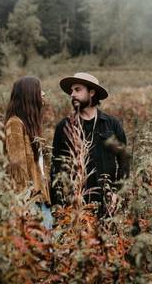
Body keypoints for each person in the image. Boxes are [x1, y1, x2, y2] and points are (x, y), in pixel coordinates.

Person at [49, 72, 129, 217]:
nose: (72, 94)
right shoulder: (64, 126)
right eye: (71, 91)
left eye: (77, 90)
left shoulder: (111, 124)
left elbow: (124, 162)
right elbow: (56, 167)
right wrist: (59, 204)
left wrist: (117, 193)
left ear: (91, 92)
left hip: (106, 202)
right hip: (74, 204)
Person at [4, 76, 53, 228]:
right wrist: (24, 205)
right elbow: (17, 166)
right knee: (41, 241)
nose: (43, 94)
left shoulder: (30, 125)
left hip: (40, 196)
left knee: (47, 241)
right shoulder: (15, 124)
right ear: (29, 94)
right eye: (39, 91)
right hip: (30, 200)